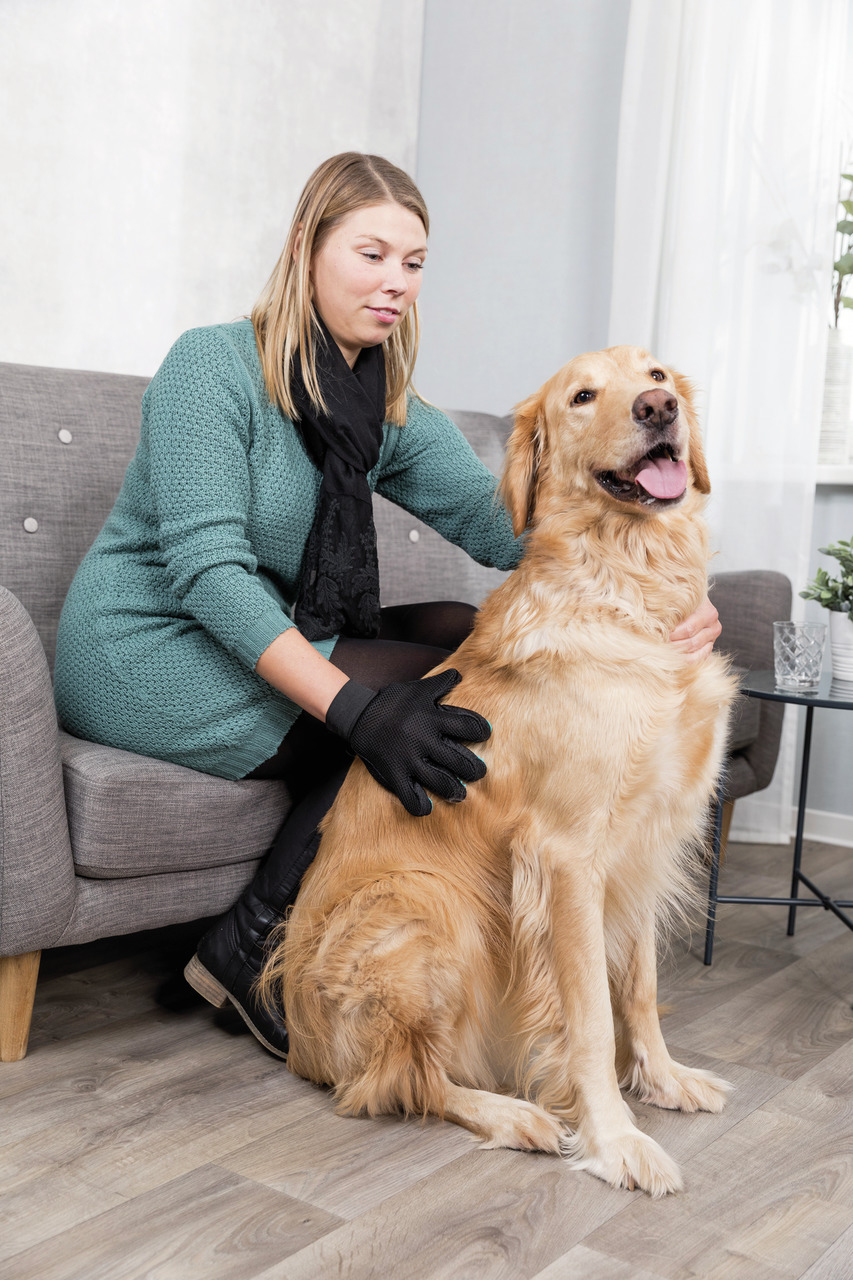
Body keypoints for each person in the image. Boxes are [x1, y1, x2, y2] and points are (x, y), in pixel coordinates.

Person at [53, 152, 721, 1059]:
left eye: (412, 263)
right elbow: (208, 572)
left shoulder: (382, 400)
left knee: (456, 627)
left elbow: (515, 528)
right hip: (144, 646)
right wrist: (357, 712)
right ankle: (247, 948)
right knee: (435, 692)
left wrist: (671, 598)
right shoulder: (210, 367)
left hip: (254, 626)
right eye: (371, 254)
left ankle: (291, 934)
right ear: (304, 246)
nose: (394, 283)